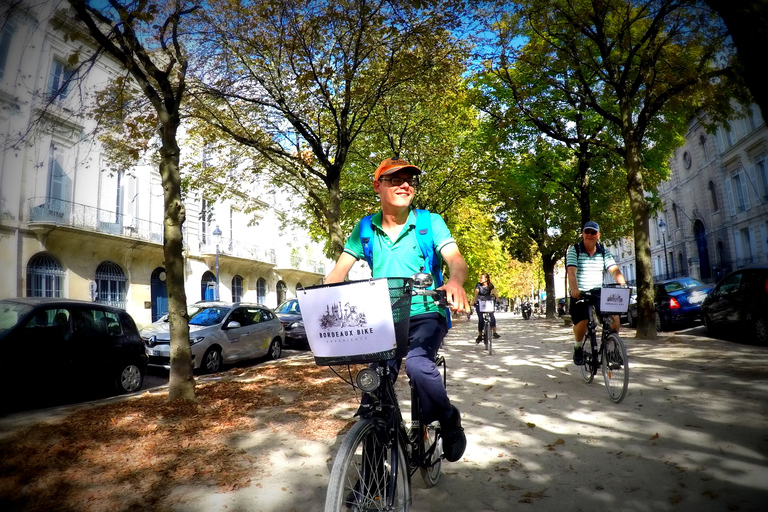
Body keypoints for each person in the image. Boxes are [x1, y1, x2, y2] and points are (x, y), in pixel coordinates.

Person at [324, 156, 471, 462]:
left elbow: (456, 260)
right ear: (378, 186)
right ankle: (371, 483)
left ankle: (448, 418)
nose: (406, 184)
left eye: (410, 180)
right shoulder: (364, 228)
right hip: (382, 317)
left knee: (418, 366)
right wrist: (325, 296)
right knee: (374, 389)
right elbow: (338, 273)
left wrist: (455, 282)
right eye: (395, 179)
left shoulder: (430, 222)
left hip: (426, 313)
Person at [567, 221, 627, 364]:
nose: (589, 235)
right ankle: (577, 347)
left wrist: (623, 284)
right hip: (580, 292)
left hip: (598, 291)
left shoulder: (603, 252)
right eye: (587, 232)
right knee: (582, 321)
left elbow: (614, 270)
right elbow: (571, 272)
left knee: (614, 317)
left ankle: (612, 349)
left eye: (593, 232)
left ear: (598, 235)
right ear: (582, 234)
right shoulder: (574, 250)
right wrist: (574, 289)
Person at [471, 272, 500, 343]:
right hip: (480, 302)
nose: (480, 279)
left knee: (492, 316)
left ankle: (494, 332)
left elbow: (494, 293)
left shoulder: (490, 285)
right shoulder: (478, 285)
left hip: (488, 302)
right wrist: (473, 301)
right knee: (480, 319)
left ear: (486, 279)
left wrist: (498, 298)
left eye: (481, 278)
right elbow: (476, 294)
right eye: (480, 278)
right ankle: (480, 335)